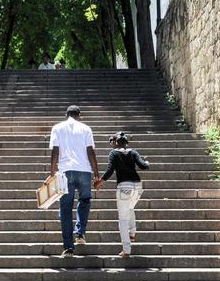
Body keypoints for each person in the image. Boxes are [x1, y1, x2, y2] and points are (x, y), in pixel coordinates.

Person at [48, 105, 97, 256]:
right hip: (84, 170)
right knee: (85, 200)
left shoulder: (57, 128)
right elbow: (91, 151)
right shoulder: (86, 128)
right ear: (79, 115)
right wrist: (96, 173)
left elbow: (55, 151)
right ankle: (80, 233)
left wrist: (52, 172)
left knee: (65, 208)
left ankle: (69, 247)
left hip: (65, 172)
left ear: (66, 114)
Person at [96, 132, 149, 256]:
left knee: (123, 218)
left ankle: (126, 250)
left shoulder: (114, 153)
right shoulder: (133, 152)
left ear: (115, 142)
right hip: (137, 186)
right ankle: (132, 233)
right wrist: (147, 163)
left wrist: (100, 182)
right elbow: (143, 166)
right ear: (126, 143)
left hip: (124, 186)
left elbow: (110, 170)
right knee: (130, 208)